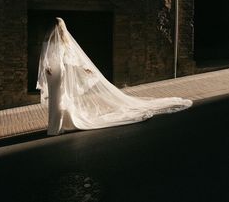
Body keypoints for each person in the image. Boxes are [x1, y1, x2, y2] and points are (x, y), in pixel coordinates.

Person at [37, 17, 192, 135]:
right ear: (62, 28)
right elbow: (55, 59)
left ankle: (55, 127)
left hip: (53, 74)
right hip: (57, 73)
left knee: (57, 99)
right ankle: (57, 126)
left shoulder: (49, 42)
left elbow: (57, 59)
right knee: (57, 99)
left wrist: (82, 68)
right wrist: (78, 68)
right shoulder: (58, 42)